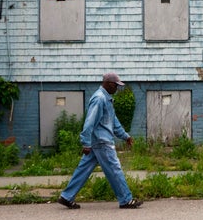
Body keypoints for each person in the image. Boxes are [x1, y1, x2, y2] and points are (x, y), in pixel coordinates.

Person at [57, 72, 143, 210]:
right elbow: (89, 122)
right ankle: (126, 200)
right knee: (115, 170)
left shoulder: (106, 99)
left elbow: (113, 122)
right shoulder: (99, 98)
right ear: (109, 83)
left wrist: (125, 136)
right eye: (116, 85)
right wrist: (85, 142)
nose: (117, 88)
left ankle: (66, 197)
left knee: (83, 170)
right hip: (102, 142)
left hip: (97, 143)